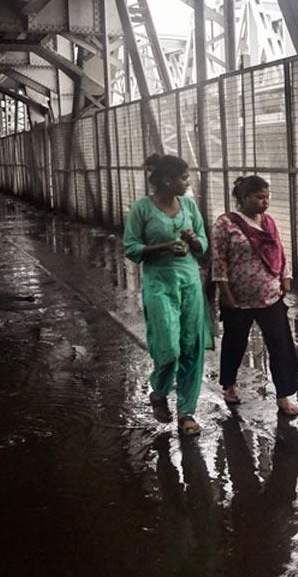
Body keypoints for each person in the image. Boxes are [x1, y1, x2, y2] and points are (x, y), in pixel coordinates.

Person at [123, 153, 213, 436]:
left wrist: (194, 240)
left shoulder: (189, 206)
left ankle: (187, 412)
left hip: (189, 283)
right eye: (184, 178)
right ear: (166, 180)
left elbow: (203, 244)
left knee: (191, 347)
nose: (188, 183)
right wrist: (162, 247)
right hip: (159, 284)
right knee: (168, 348)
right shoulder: (142, 209)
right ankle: (159, 392)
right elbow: (131, 247)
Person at [211, 175, 298, 416]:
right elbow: (218, 260)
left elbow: (279, 251)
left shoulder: (268, 222)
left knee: (281, 345)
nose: (265, 202)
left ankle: (283, 395)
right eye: (259, 197)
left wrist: (285, 276)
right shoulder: (226, 224)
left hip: (271, 296)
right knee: (234, 343)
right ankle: (229, 385)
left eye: (267, 197)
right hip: (239, 298)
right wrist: (225, 292)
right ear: (243, 198)